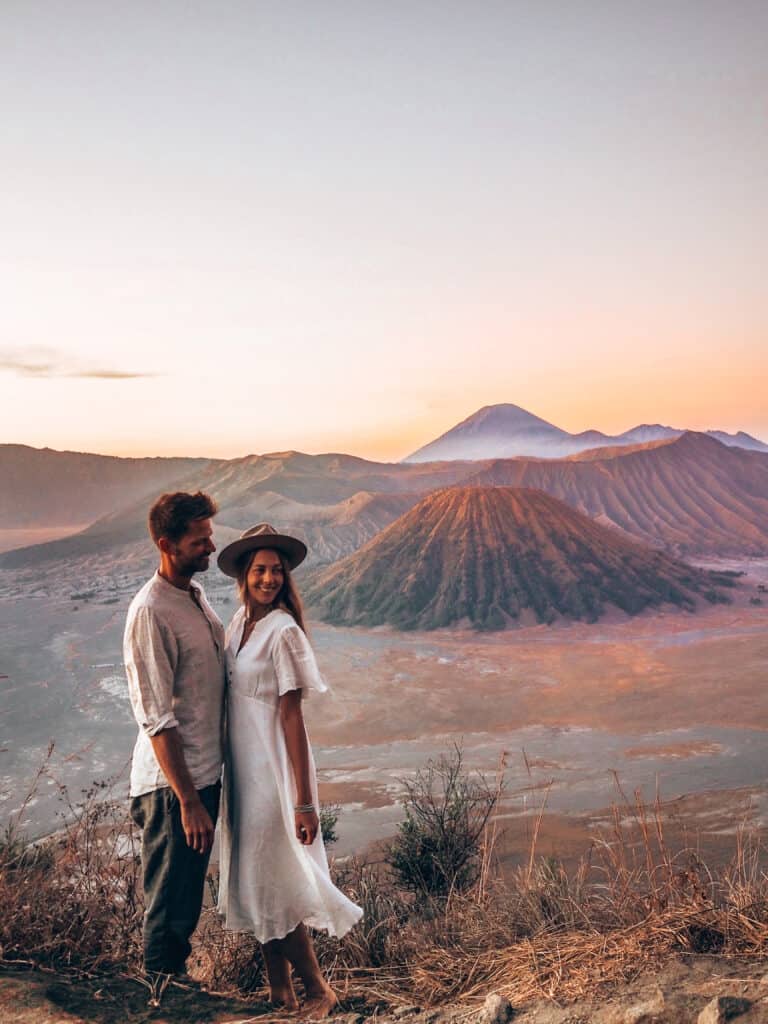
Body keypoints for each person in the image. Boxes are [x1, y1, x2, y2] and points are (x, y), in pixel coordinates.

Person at [216, 523, 362, 1016]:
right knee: (259, 881)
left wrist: (302, 800)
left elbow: (292, 717)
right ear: (243, 574)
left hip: (272, 774)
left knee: (275, 879)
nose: (269, 578)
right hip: (242, 772)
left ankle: (318, 989)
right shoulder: (237, 625)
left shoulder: (284, 632)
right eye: (260, 569)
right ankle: (280, 990)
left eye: (276, 570)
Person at [124, 491, 225, 977]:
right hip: (173, 789)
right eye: (199, 540)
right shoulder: (151, 611)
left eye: (209, 536)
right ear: (167, 544)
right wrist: (188, 801)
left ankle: (172, 995)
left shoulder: (193, 595)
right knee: (168, 910)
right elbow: (156, 717)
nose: (210, 546)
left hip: (200, 777)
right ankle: (159, 1000)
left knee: (184, 903)